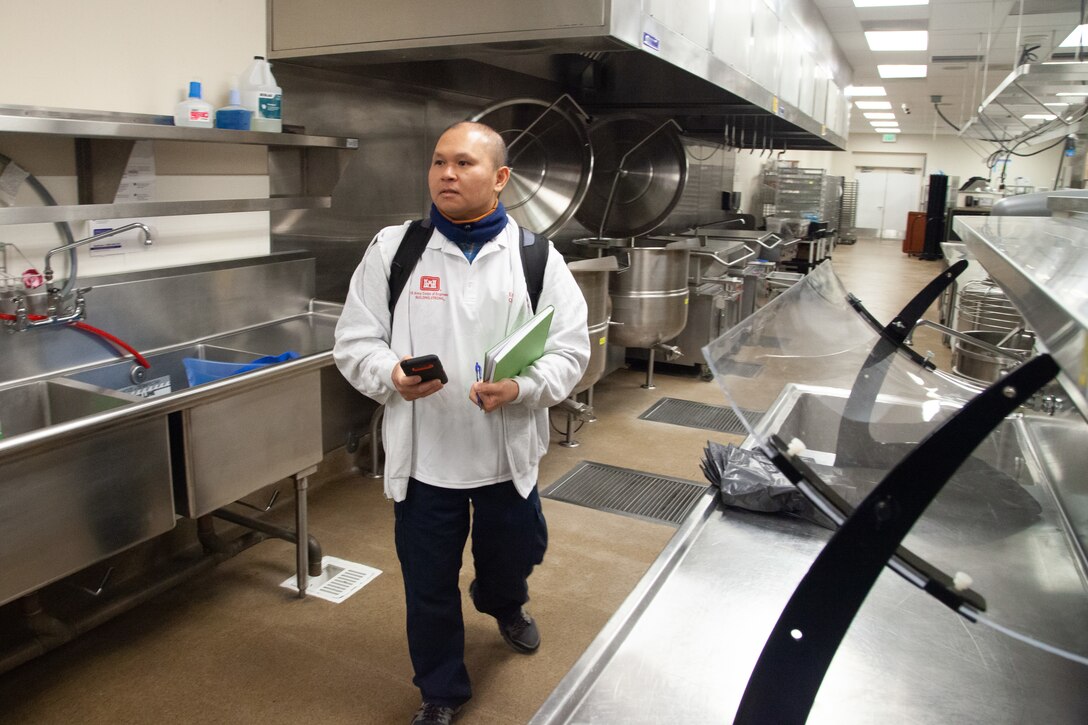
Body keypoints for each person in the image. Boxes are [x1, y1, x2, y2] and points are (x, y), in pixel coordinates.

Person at [333, 121, 590, 725]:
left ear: (499, 179)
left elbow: (571, 350)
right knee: (427, 585)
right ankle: (442, 691)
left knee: (515, 553)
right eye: (439, 162)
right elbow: (354, 341)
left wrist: (523, 387)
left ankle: (503, 600)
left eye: (465, 164)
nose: (447, 174)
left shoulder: (536, 258)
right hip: (426, 457)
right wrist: (391, 376)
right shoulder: (395, 250)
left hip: (504, 451)